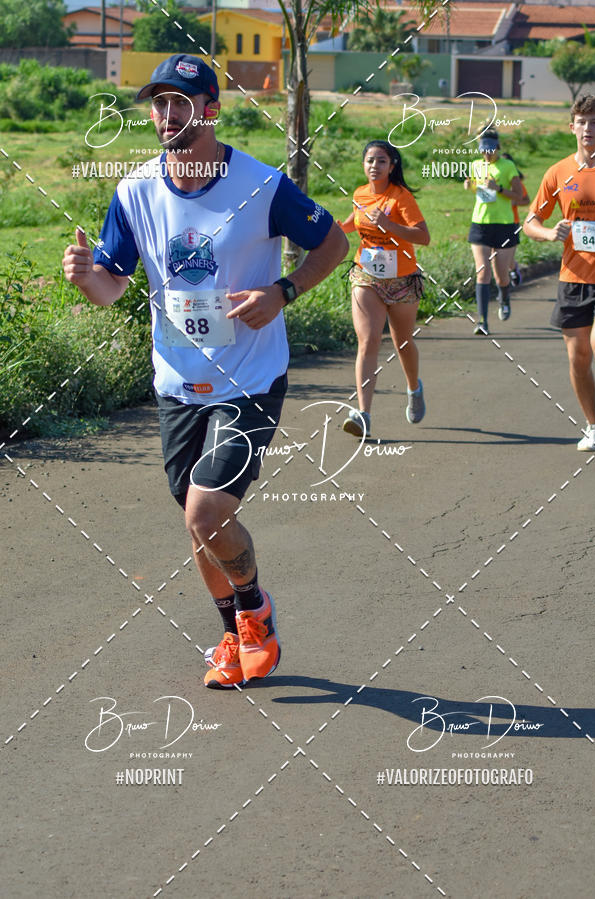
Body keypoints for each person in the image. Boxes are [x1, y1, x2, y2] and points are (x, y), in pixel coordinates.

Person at [62, 54, 348, 686]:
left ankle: (256, 612)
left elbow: (333, 243)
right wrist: (88, 280)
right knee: (198, 524)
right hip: (176, 382)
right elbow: (113, 287)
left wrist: (286, 291)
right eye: (158, 103)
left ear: (210, 110)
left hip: (250, 375)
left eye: (179, 102)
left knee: (205, 514)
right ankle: (232, 637)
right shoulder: (134, 192)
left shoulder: (261, 185)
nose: (166, 114)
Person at [337, 140, 430, 438]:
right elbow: (354, 222)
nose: (373, 166)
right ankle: (363, 414)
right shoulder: (360, 194)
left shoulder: (401, 197)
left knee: (402, 343)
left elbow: (423, 237)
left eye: (380, 161)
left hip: (402, 280)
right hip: (367, 275)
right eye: (369, 160)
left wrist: (391, 225)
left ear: (392, 166)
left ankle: (414, 388)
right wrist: (334, 228)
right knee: (368, 341)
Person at [523, 94, 595, 452]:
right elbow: (530, 222)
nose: (589, 128)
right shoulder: (558, 172)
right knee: (578, 356)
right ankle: (593, 426)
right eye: (583, 122)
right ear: (572, 128)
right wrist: (550, 233)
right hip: (573, 277)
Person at [464, 130, 522, 333]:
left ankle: (504, 298)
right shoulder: (476, 165)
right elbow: (477, 189)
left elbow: (519, 194)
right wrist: (469, 186)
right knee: (482, 273)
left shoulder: (508, 166)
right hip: (480, 224)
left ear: (498, 148)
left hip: (504, 225)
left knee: (501, 277)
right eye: (483, 151)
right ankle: (482, 322)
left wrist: (498, 189)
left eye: (490, 150)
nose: (486, 155)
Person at [501, 152, 530, 288]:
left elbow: (526, 200)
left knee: (508, 260)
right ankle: (502, 285)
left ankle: (513, 269)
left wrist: (514, 203)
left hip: (512, 222)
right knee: (496, 256)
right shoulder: (496, 181)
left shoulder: (516, 183)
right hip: (495, 222)